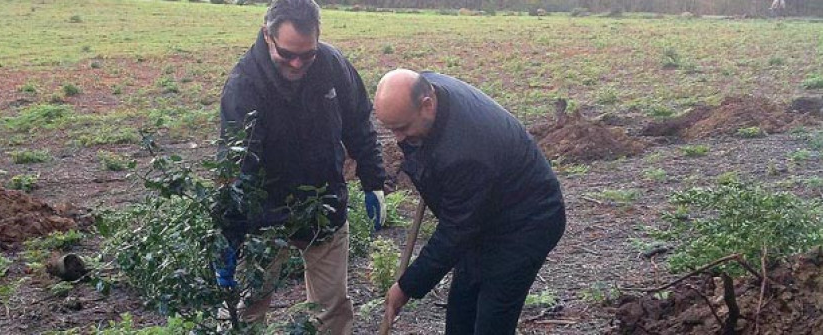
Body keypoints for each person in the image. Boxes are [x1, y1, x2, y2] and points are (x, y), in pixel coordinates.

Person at [216, 0, 387, 333]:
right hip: (265, 215)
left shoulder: (332, 65)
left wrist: (373, 180)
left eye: (307, 54)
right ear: (268, 36)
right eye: (287, 53)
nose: (297, 63)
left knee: (332, 308)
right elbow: (238, 165)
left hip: (324, 205)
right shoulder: (245, 85)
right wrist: (230, 233)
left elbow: (359, 125)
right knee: (246, 308)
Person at [375, 69, 566, 334]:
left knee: (491, 319)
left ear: (427, 105)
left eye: (402, 128)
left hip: (527, 223)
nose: (397, 138)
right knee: (462, 310)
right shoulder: (429, 87)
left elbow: (456, 231)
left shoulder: (465, 152)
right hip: (485, 215)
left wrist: (407, 286)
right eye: (391, 128)